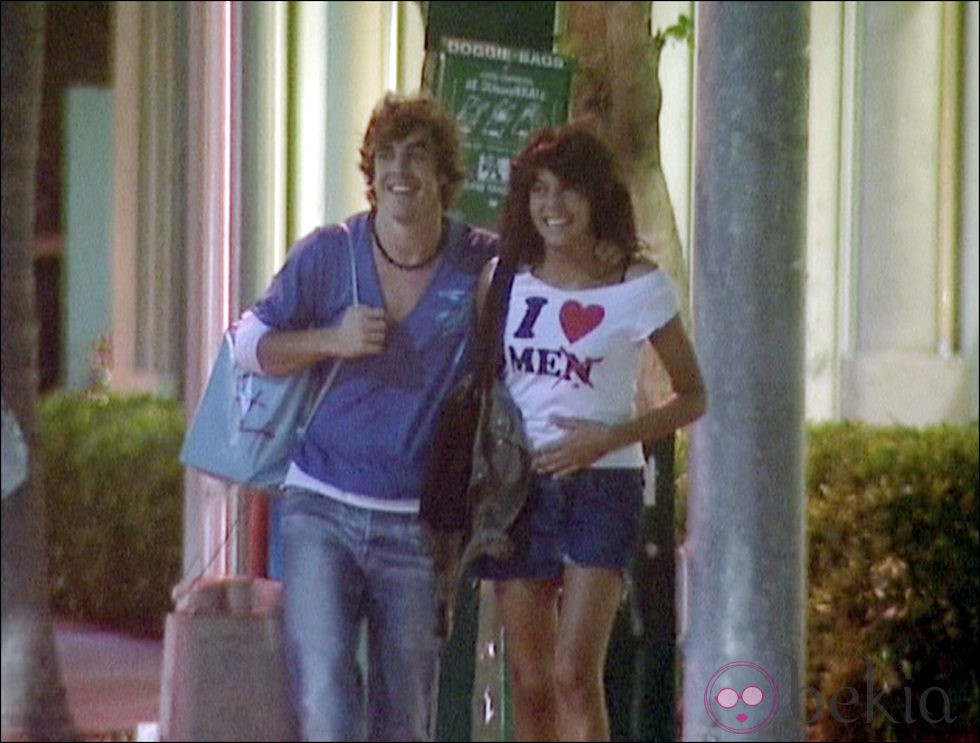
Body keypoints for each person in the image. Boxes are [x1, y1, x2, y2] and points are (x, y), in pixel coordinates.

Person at [232, 92, 498, 741]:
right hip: (319, 507)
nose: (399, 171)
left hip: (418, 524)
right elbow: (247, 345)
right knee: (324, 694)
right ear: (371, 173)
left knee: (406, 710)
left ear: (445, 176)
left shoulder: (482, 263)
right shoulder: (329, 254)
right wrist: (331, 339)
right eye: (386, 156)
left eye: (417, 156)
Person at [471, 121, 707, 741]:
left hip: (604, 485)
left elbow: (694, 396)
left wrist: (605, 439)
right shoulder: (502, 279)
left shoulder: (637, 283)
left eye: (569, 191)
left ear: (598, 197)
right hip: (519, 488)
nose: (554, 207)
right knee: (529, 678)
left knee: (576, 671)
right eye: (539, 191)